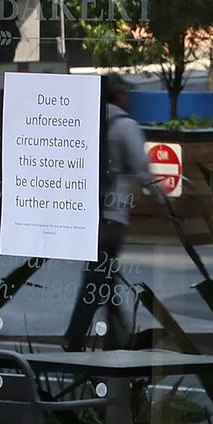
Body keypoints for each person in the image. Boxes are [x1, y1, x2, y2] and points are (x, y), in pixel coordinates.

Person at [64, 73, 162, 351]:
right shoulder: (124, 126)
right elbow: (143, 170)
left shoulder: (88, 122)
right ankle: (76, 336)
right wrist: (160, 199)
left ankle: (117, 336)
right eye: (125, 93)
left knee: (102, 275)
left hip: (88, 214)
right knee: (98, 278)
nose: (128, 98)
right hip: (114, 215)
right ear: (118, 95)